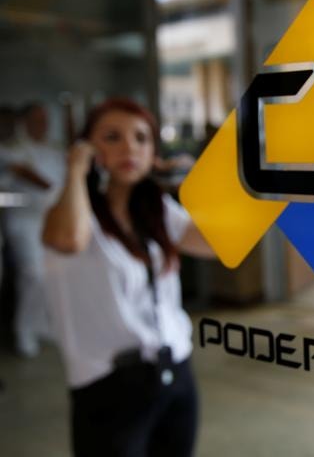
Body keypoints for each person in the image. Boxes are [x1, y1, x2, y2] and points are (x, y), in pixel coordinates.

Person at [42, 98, 215, 457]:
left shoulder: (157, 209)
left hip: (174, 368)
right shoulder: (72, 211)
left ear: (153, 153)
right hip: (108, 385)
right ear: (87, 147)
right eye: (112, 137)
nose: (129, 148)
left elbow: (212, 245)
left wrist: (198, 182)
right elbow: (70, 239)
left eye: (141, 138)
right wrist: (76, 170)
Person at [0, 104, 64, 357]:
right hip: (23, 222)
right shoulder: (13, 149)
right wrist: (54, 190)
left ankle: (42, 325)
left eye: (45, 119)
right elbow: (25, 173)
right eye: (36, 119)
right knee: (33, 275)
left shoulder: (54, 150)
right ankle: (23, 330)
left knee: (52, 274)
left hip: (51, 221)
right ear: (24, 122)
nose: (42, 125)